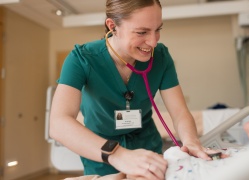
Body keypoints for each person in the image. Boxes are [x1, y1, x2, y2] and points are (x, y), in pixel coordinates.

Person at [49, 0, 211, 179]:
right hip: (102, 155)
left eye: (158, 30)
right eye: (142, 32)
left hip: (148, 150)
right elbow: (58, 124)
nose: (153, 42)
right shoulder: (82, 59)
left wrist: (191, 141)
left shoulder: (161, 57)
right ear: (112, 26)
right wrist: (118, 155)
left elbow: (180, 113)